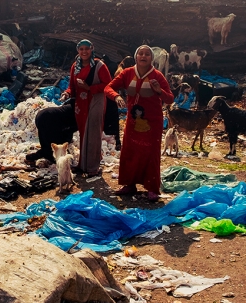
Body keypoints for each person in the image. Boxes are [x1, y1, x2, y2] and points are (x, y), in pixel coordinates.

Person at [104, 45, 174, 202]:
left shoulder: (157, 76)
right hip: (133, 121)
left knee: (151, 154)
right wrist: (116, 97)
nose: (143, 56)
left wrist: (158, 91)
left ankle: (152, 188)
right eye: (140, 53)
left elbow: (170, 98)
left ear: (151, 58)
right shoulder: (127, 73)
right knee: (130, 151)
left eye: (147, 54)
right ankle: (129, 184)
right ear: (136, 57)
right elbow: (108, 87)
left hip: (152, 122)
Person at [60, 39, 112, 176]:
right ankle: (83, 165)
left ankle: (93, 167)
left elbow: (108, 85)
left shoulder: (99, 66)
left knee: (94, 133)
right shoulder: (75, 66)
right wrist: (67, 93)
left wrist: (89, 88)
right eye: (81, 49)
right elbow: (72, 85)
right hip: (80, 104)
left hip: (96, 101)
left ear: (92, 49)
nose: (84, 52)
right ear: (78, 50)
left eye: (86, 49)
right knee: (84, 134)